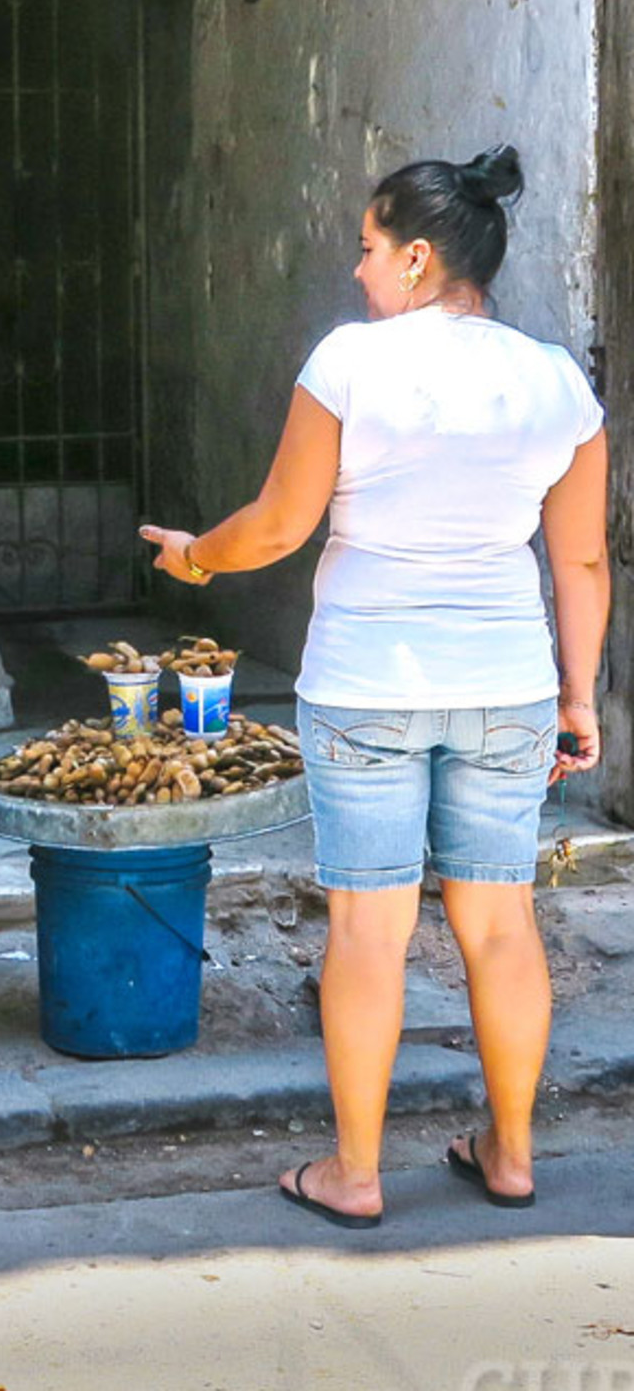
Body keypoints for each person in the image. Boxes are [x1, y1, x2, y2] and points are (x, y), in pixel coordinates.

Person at [140, 146, 608, 1227]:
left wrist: (193, 557)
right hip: (505, 683)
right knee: (498, 922)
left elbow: (279, 523)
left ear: (413, 257)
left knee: (369, 925)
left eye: (363, 249)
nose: (353, 273)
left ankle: (354, 1171)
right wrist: (574, 693)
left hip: (365, 684)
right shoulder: (553, 381)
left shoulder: (350, 361)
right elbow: (579, 562)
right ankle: (509, 1151)